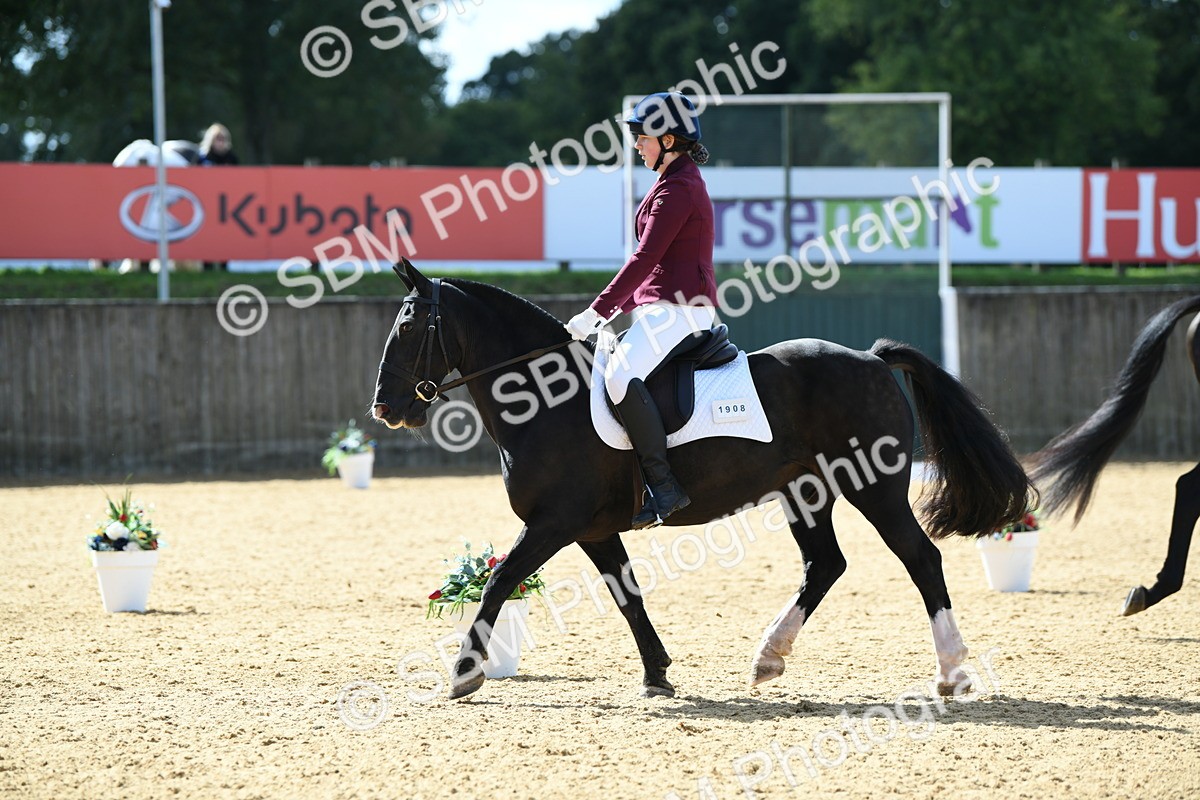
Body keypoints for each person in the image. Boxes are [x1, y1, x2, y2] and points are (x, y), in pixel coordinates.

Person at [565, 91, 718, 530]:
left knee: (619, 376)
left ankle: (665, 485)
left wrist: (597, 311)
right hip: (662, 306)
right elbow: (654, 272)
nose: (636, 144)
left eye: (642, 137)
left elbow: (644, 259)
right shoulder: (668, 183)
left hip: (683, 310)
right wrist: (611, 313)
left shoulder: (680, 189)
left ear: (669, 139)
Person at [198, 123, 238, 271]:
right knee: (206, 235)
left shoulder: (231, 158)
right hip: (206, 203)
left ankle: (224, 265)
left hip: (225, 204)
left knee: (224, 235)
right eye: (217, 138)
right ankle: (206, 266)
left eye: (223, 138)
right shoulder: (203, 158)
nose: (220, 142)